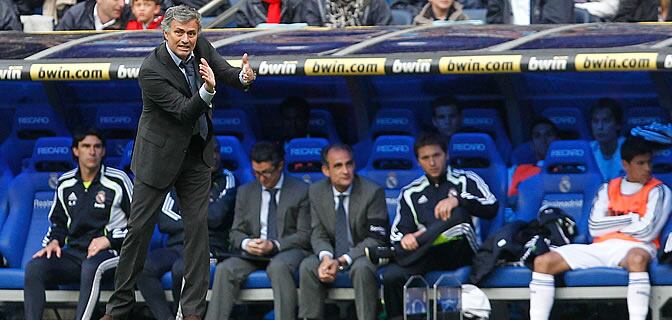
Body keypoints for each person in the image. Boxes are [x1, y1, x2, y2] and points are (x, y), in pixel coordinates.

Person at [102, 5, 256, 320]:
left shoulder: (199, 45)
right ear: (166, 32)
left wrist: (241, 76)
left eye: (191, 33)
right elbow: (186, 111)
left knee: (197, 231)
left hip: (196, 155)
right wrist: (209, 90)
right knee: (139, 231)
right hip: (158, 157)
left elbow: (223, 70)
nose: (186, 39)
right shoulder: (151, 70)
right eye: (180, 33)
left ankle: (193, 311)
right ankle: (118, 309)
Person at [528, 136, 672, 320]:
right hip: (599, 247)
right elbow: (594, 228)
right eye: (640, 163)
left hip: (636, 247)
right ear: (625, 164)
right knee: (543, 262)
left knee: (637, 259)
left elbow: (646, 232)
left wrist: (612, 223)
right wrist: (633, 218)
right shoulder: (607, 188)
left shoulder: (659, 190)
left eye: (649, 162)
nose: (648, 168)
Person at [374, 132, 498, 320]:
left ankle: (394, 254)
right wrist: (406, 238)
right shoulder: (410, 193)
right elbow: (399, 233)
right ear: (418, 162)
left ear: (446, 155)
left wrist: (458, 200)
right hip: (428, 254)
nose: (432, 163)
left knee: (459, 216)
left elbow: (492, 208)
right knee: (392, 276)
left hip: (460, 250)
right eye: (425, 158)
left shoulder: (467, 180)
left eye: (436, 156)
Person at [24, 130, 133, 320]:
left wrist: (108, 240)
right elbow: (58, 223)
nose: (92, 152)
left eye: (97, 147)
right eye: (86, 146)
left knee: (91, 266)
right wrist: (54, 242)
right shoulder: (65, 182)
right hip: (76, 255)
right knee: (34, 267)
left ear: (103, 151)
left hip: (113, 255)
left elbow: (139, 225)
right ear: (76, 150)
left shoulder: (118, 181)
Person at [205, 141, 310, 320]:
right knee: (225, 269)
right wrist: (247, 243)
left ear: (280, 166)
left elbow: (305, 235)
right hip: (252, 253)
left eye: (266, 173)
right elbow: (236, 232)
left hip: (287, 250)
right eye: (256, 173)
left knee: (278, 267)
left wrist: (274, 245)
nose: (261, 179)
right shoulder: (246, 191)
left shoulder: (301, 190)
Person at [137, 139, 237, 320]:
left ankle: (180, 316)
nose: (213, 157)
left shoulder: (226, 179)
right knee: (142, 268)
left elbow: (216, 217)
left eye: (216, 152)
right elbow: (165, 221)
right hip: (178, 245)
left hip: (209, 245)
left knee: (181, 269)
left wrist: (186, 218)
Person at [298, 143, 389, 320]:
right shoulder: (315, 192)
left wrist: (342, 260)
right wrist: (325, 258)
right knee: (308, 266)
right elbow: (318, 232)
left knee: (362, 268)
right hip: (332, 254)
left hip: (363, 255)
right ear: (326, 170)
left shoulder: (372, 192)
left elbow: (376, 239)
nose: (345, 170)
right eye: (338, 166)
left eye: (349, 164)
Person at [507, 118, 559, 199]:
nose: (543, 140)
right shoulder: (514, 172)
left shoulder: (574, 171)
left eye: (548, 135)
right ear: (532, 144)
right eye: (537, 136)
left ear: (557, 139)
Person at [590, 98, 625, 181]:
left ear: (618, 125)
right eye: (595, 121)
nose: (600, 127)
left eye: (606, 121)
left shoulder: (630, 149)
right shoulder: (588, 150)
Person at [304, 0, 393, 27]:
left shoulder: (375, 3)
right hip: (324, 61)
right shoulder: (316, 4)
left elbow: (384, 36)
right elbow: (312, 37)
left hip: (366, 59)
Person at [56, 0, 130, 30]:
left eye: (123, 0)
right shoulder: (75, 15)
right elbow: (57, 44)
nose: (122, 4)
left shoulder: (131, 16)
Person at [236, 0, 306, 27]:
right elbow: (243, 39)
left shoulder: (296, 3)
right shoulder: (246, 8)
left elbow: (300, 34)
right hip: (256, 53)